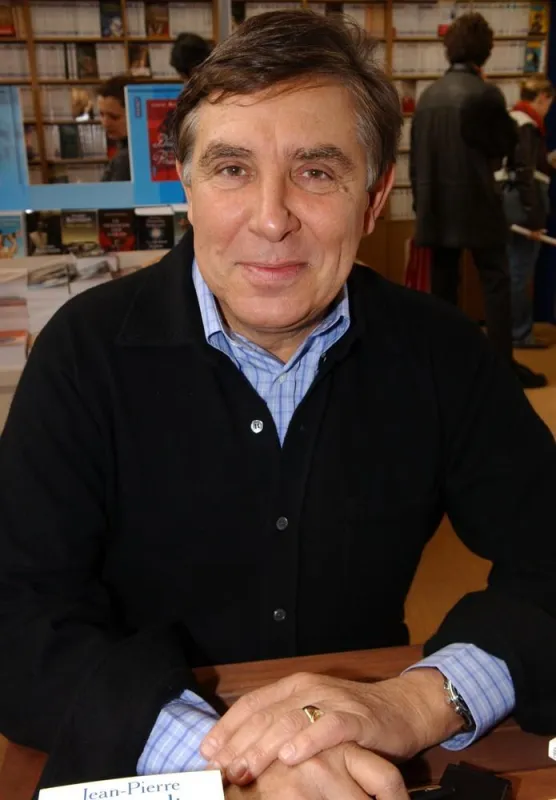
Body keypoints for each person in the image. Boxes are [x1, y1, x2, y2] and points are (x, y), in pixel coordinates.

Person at [1, 11, 556, 799]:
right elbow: (16, 618)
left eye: (317, 171)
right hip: (153, 763)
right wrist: (230, 753)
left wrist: (419, 701)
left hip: (378, 756)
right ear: (186, 189)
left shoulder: (442, 353)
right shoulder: (82, 355)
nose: (271, 218)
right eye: (232, 169)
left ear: (373, 199)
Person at [410, 12, 547, 389]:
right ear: (485, 52)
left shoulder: (428, 97)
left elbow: (417, 156)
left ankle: (446, 368)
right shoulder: (485, 93)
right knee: (496, 284)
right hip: (478, 205)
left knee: (442, 291)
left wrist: (422, 207)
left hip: (435, 207)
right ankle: (502, 369)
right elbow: (505, 146)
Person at [496, 76, 554, 349]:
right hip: (522, 208)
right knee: (519, 273)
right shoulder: (528, 125)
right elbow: (525, 175)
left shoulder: (511, 119)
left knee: (513, 270)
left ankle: (514, 331)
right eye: (549, 103)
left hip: (509, 205)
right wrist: (533, 218)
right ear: (542, 97)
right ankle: (519, 334)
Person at [98, 75, 131, 182]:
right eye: (101, 114)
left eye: (114, 117)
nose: (105, 123)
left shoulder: (125, 159)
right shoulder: (121, 152)